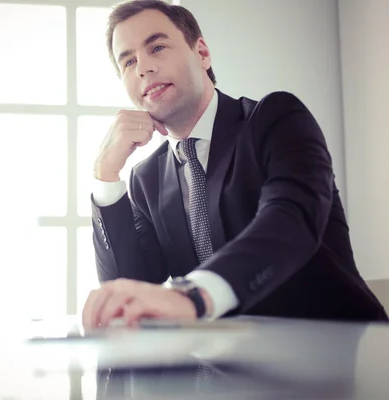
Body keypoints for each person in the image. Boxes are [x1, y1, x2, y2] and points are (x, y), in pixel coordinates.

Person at [82, 0, 388, 330]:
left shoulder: (277, 118)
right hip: (225, 366)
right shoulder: (146, 179)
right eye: (128, 62)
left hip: (341, 351)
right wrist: (106, 176)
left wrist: (193, 297)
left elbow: (289, 221)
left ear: (202, 53)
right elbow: (131, 290)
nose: (143, 68)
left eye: (156, 47)